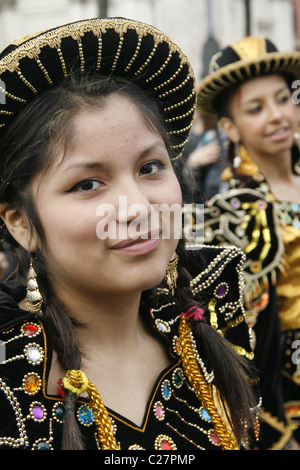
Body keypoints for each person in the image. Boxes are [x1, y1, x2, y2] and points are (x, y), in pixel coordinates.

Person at [0, 18, 259, 451]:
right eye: (87, 184)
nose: (137, 207)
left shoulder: (215, 316)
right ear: (20, 222)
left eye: (150, 168)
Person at [196, 35, 300, 450]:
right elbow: (236, 340)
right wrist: (276, 432)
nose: (277, 115)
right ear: (229, 127)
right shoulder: (234, 213)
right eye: (256, 108)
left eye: (282, 98)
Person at [181, 109, 228, 203]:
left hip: (229, 198)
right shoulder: (185, 141)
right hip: (202, 205)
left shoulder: (224, 133)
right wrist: (192, 163)